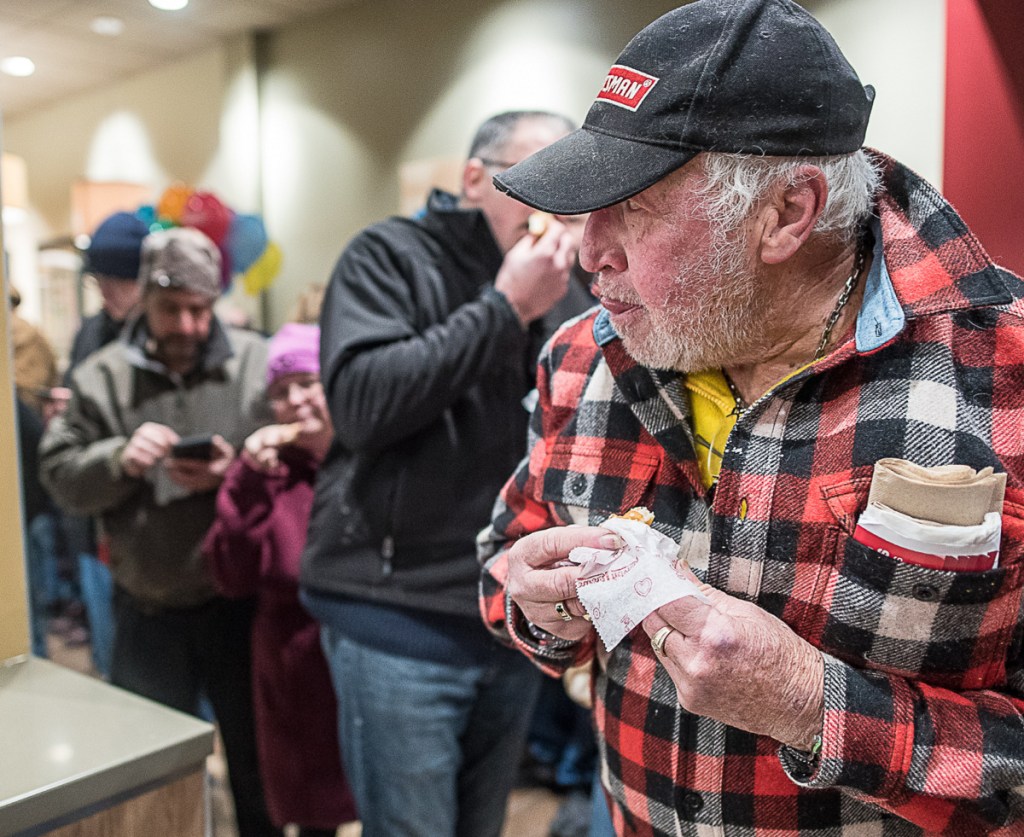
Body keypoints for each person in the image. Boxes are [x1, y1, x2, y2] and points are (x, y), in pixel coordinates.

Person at [478, 1, 1024, 835]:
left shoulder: (1006, 375)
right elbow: (503, 560)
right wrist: (532, 599)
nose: (589, 253)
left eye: (636, 207)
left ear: (787, 213)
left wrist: (814, 704)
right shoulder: (582, 355)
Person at [299, 110, 583, 837]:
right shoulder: (388, 255)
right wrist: (505, 308)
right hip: (395, 610)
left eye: (569, 186)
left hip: (511, 615)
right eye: (536, 180)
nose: (556, 206)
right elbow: (362, 407)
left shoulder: (570, 284)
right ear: (474, 178)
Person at [39, 226, 277, 836]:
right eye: (173, 309)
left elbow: (302, 463)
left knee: (256, 763)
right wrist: (119, 459)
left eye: (201, 310)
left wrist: (237, 470)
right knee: (152, 773)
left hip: (241, 608)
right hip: (148, 610)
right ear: (145, 299)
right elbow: (59, 479)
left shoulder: (256, 362)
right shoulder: (100, 378)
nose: (190, 326)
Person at [203, 322, 357, 836]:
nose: (295, 400)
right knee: (313, 813)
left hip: (366, 657)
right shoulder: (265, 472)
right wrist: (246, 479)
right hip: (296, 666)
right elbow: (230, 574)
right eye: (280, 392)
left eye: (306, 382)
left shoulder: (367, 460)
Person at [63, 210, 150, 678]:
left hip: (151, 523)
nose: (105, 292)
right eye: (99, 281)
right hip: (94, 513)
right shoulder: (91, 335)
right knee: (112, 656)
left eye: (114, 281)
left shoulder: (167, 335)